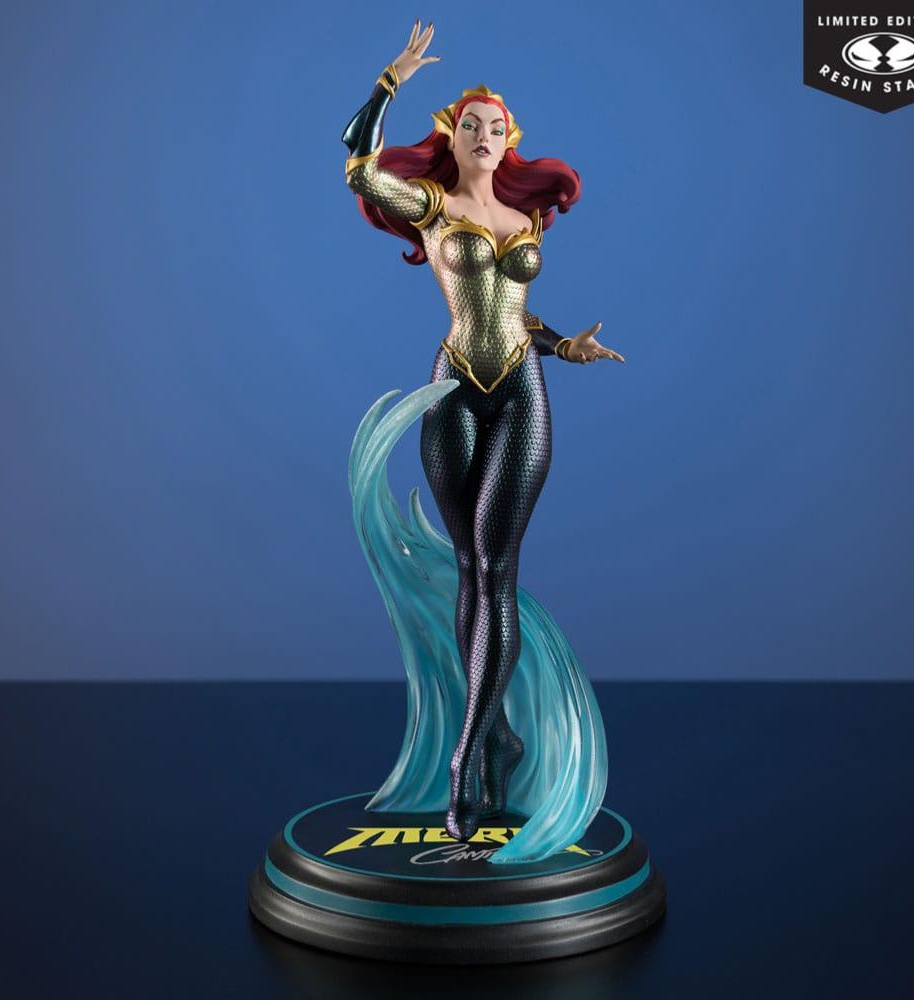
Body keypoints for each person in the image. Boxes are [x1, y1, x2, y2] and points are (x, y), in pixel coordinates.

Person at [343, 20, 623, 842]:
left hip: (522, 390)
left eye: (496, 128)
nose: (484, 136)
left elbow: (515, 312)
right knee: (470, 568)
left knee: (497, 567)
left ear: (510, 142)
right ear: (452, 137)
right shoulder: (432, 206)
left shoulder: (522, 215)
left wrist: (565, 345)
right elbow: (359, 166)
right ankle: (495, 735)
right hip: (454, 387)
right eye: (471, 125)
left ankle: (466, 756)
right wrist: (389, 82)